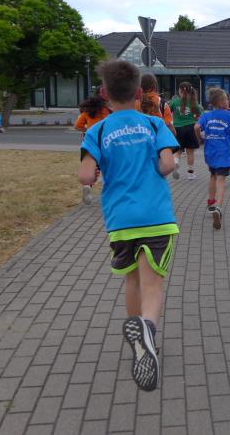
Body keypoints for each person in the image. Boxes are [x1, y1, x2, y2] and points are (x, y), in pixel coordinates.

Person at [77, 59, 179, 392]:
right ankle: (149, 330)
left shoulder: (97, 130)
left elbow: (84, 176)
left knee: (132, 280)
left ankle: (139, 342)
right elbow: (167, 164)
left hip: (120, 220)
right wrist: (158, 168)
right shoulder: (153, 123)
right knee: (153, 284)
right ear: (138, 93)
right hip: (157, 216)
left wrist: (97, 172)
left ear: (105, 94)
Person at [195, 88, 230, 229]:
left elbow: (196, 127)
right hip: (224, 152)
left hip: (210, 151)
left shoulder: (206, 115)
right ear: (222, 102)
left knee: (212, 176)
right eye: (226, 99)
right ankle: (218, 207)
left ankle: (211, 202)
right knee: (221, 179)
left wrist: (200, 139)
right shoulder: (229, 115)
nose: (228, 101)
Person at [75, 93, 112, 205]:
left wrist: (87, 130)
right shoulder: (106, 111)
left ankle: (88, 185)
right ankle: (108, 191)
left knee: (93, 166)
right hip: (104, 141)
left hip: (91, 141)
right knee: (107, 165)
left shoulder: (87, 112)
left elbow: (77, 126)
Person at [170, 82, 204, 180]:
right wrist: (195, 118)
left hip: (177, 129)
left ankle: (176, 163)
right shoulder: (193, 102)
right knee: (190, 152)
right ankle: (190, 173)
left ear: (180, 91)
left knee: (178, 150)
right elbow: (200, 116)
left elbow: (168, 111)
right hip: (190, 128)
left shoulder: (174, 102)